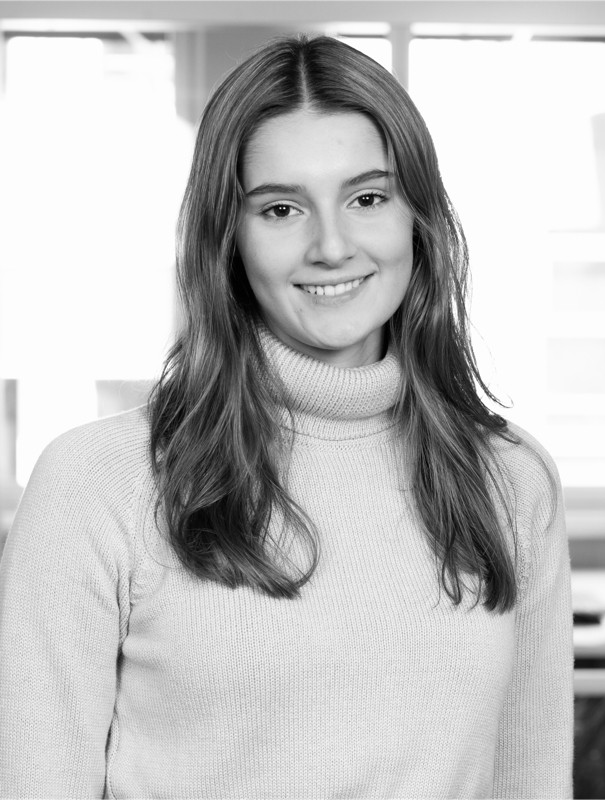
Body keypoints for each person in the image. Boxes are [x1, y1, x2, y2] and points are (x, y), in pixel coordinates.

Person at [0, 34, 573, 798]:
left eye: (368, 198)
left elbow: (529, 784)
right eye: (280, 208)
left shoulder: (510, 480)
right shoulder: (97, 483)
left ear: (418, 221)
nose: (332, 246)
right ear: (227, 239)